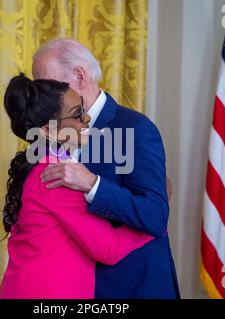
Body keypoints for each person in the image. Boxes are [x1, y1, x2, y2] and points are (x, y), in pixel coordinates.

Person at [33, 38, 180, 298]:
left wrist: (92, 184)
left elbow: (156, 216)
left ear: (79, 76)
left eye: (49, 85)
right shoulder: (50, 131)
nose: (42, 96)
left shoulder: (135, 128)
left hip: (134, 287)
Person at [0, 74, 153, 299]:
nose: (86, 118)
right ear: (48, 131)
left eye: (83, 109)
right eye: (77, 114)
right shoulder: (56, 175)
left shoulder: (43, 163)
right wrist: (150, 219)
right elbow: (109, 248)